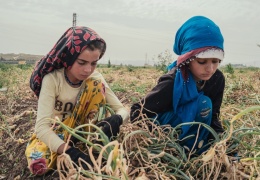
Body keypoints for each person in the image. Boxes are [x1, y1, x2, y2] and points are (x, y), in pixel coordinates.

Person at [25, 26, 129, 175]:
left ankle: (92, 143)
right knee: (40, 165)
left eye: (93, 63)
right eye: (82, 62)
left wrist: (117, 119)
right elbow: (42, 128)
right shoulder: (53, 80)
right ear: (68, 58)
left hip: (86, 133)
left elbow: (123, 109)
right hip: (57, 132)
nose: (88, 70)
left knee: (95, 84)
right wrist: (69, 152)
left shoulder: (95, 79)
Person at [130, 16, 225, 155]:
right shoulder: (172, 82)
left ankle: (198, 146)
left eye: (215, 61)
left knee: (205, 107)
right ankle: (183, 150)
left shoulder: (217, 79)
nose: (210, 69)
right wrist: (159, 141)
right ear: (187, 59)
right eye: (202, 62)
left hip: (195, 131)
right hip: (168, 131)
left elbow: (214, 116)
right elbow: (137, 111)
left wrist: (222, 142)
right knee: (203, 104)